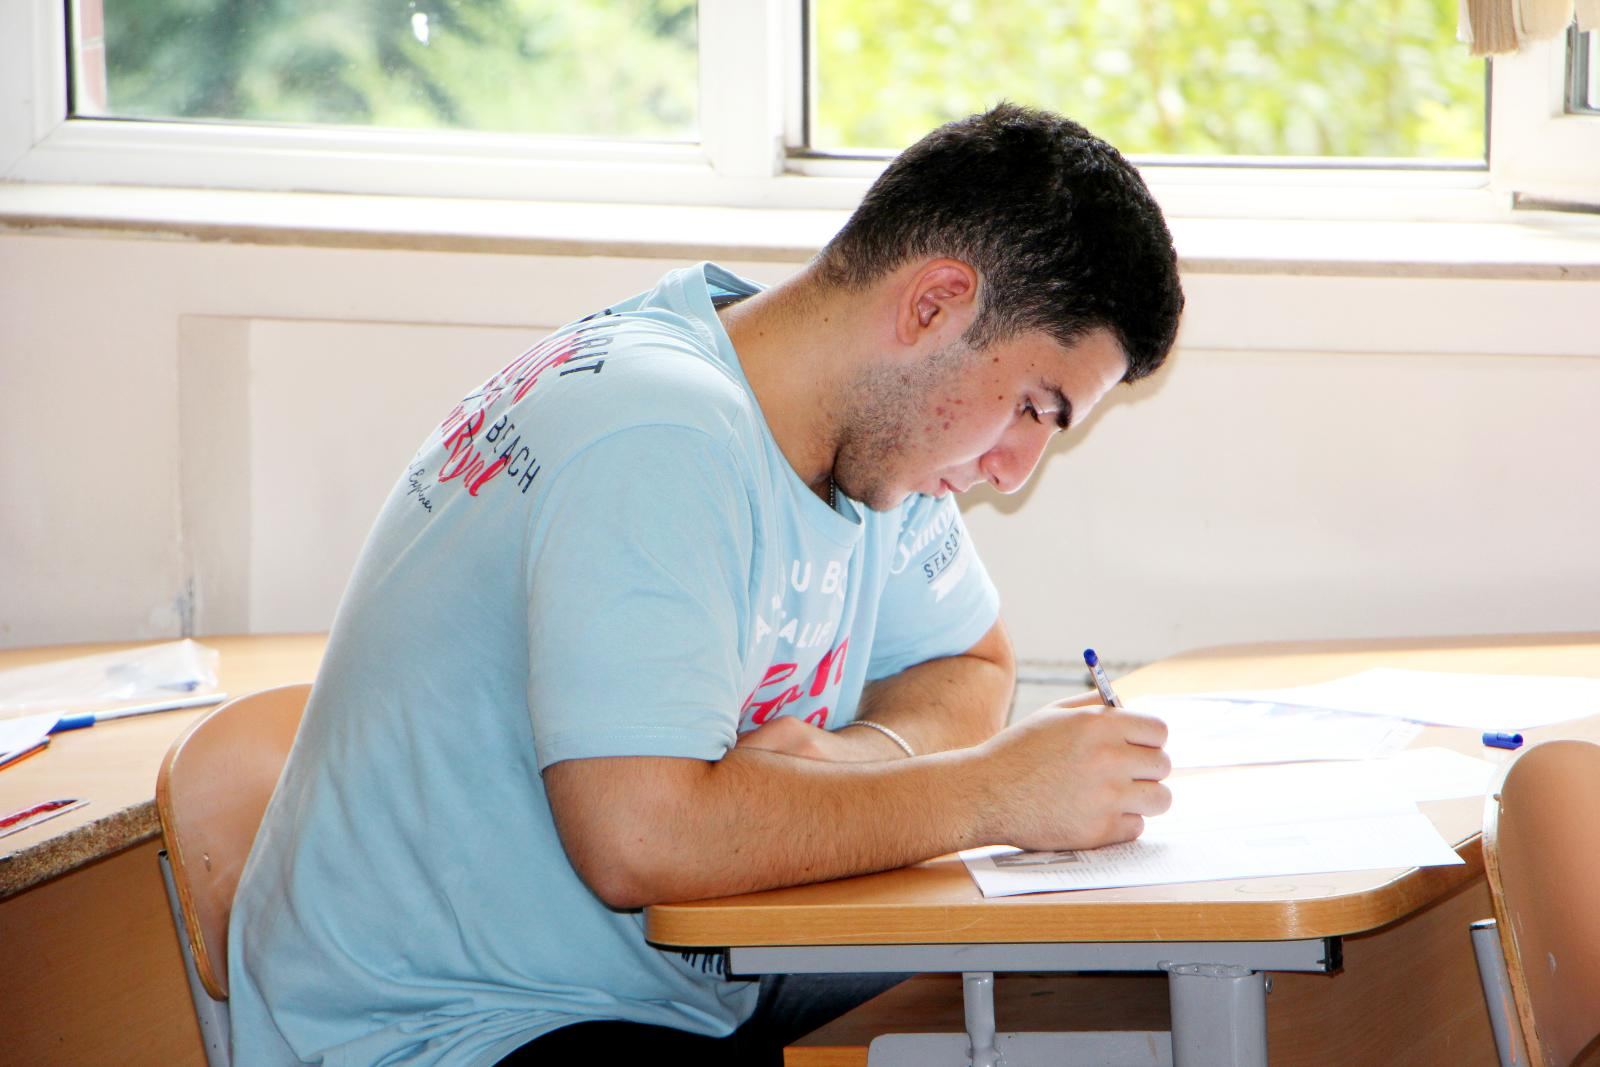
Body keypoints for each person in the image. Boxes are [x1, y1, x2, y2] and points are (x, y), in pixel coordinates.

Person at [228, 103, 1185, 1066]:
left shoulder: (872, 438)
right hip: (445, 1028)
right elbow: (640, 841)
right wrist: (988, 793)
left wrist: (854, 759)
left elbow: (970, 663)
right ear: (932, 305)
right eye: (1032, 407)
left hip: (664, 984)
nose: (1013, 469)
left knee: (1077, 997)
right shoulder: (658, 433)